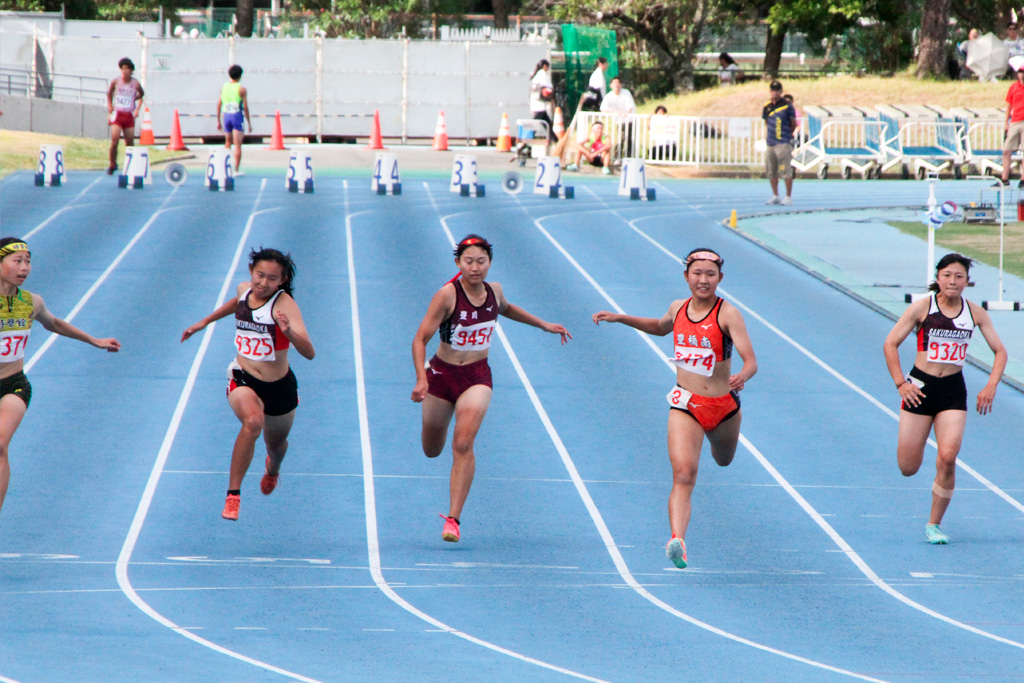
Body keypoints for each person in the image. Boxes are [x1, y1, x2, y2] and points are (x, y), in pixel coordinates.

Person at [592, 248, 757, 569]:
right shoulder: (677, 308)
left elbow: (751, 360)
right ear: (686, 276)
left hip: (723, 406)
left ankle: (715, 443)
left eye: (710, 274)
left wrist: (742, 376)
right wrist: (621, 317)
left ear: (720, 278)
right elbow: (659, 326)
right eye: (697, 273)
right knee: (684, 474)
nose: (703, 280)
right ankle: (677, 540)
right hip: (686, 404)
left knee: (723, 461)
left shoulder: (728, 314)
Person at [411, 235, 571, 543]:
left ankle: (453, 520)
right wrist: (421, 378)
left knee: (463, 444)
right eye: (468, 261)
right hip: (441, 376)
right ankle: (436, 433)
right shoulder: (446, 295)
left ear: (490, 263)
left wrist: (544, 325)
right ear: (458, 263)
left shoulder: (494, 290)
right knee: (432, 450)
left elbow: (506, 308)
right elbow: (420, 339)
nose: (475, 268)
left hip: (476, 377)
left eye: (481, 261)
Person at [181, 248, 315, 521]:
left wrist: (288, 331)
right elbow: (237, 303)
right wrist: (205, 321)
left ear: (283, 280)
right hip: (243, 376)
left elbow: (310, 352)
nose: (263, 283)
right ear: (251, 271)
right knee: (253, 422)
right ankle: (233, 496)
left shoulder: (284, 304)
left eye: (272, 279)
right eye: (259, 275)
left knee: (276, 446)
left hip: (279, 386)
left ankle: (273, 470)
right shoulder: (245, 289)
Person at [883, 253, 1006, 545]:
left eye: (959, 276)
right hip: (919, 388)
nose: (953, 281)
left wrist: (990, 386)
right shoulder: (922, 308)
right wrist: (901, 383)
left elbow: (1000, 351)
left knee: (948, 458)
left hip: (952, 389)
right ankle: (914, 445)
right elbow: (890, 343)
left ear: (966, 281)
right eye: (947, 275)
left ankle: (933, 525)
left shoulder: (975, 313)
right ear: (938, 278)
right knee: (908, 467)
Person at [0, 238, 121, 516]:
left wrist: (95, 340)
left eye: (28, 261)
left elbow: (54, 323)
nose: (24, 268)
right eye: (17, 261)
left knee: (0, 444)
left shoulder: (31, 302)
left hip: (14, 384)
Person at [106, 57, 145, 175]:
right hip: (118, 114)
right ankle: (112, 163)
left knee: (129, 143)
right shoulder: (116, 81)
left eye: (127, 69)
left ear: (131, 71)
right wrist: (110, 107)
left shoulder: (135, 83)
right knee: (114, 141)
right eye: (122, 69)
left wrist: (136, 104)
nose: (124, 71)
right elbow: (109, 93)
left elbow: (141, 94)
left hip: (128, 115)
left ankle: (131, 165)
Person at [763, 80, 797, 205]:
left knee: (785, 169)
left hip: (783, 141)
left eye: (777, 90)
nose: (775, 93)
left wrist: (788, 135)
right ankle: (775, 195)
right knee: (771, 170)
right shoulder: (767, 106)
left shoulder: (787, 105)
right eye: (773, 90)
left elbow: (793, 122)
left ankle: (788, 196)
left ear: (781, 91)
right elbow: (766, 121)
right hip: (771, 142)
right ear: (770, 91)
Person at [216, 64, 252, 177]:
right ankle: (236, 169)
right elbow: (245, 107)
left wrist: (218, 120)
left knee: (227, 142)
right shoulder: (241, 89)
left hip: (226, 116)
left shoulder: (224, 87)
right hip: (237, 116)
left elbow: (219, 104)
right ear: (240, 76)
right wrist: (249, 123)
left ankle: (224, 167)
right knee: (237, 144)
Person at [600, 77, 637, 161]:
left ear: (621, 85)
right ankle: (618, 157)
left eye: (618, 83)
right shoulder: (609, 96)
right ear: (611, 85)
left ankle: (629, 158)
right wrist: (616, 113)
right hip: (619, 122)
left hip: (630, 120)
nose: (616, 85)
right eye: (614, 83)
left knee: (630, 139)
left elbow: (629, 107)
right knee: (621, 139)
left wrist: (625, 114)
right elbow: (603, 109)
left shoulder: (626, 93)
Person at [999, 65, 1024, 186]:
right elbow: (1009, 105)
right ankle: (1004, 178)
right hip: (1015, 121)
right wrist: (1006, 123)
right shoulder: (1013, 87)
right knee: (1006, 150)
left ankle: (1023, 179)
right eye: (1020, 72)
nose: (1022, 74)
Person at [529, 59, 555, 142]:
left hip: (537, 103)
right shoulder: (542, 74)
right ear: (544, 66)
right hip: (539, 104)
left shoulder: (537, 75)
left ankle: (554, 139)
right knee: (536, 124)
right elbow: (547, 86)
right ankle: (526, 139)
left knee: (547, 123)